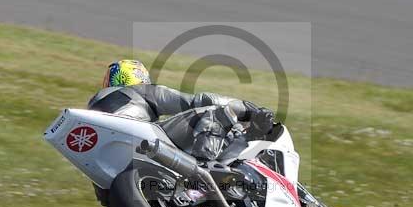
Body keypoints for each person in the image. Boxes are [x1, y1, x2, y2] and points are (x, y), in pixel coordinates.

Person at [88, 59, 275, 161]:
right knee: (212, 112)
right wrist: (248, 109)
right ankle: (208, 164)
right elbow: (198, 101)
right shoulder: (141, 90)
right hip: (143, 140)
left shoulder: (93, 108)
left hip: (118, 156)